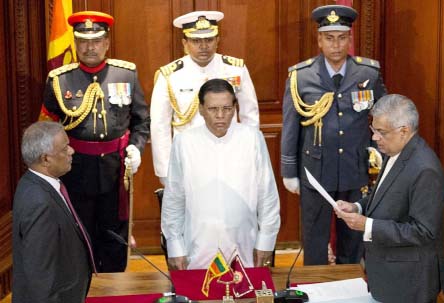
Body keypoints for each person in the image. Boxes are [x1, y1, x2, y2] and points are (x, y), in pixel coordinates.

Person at [39, 11, 150, 272]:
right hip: (74, 170)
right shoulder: (59, 79)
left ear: (107, 43)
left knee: (114, 235)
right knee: (79, 234)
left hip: (116, 171)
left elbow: (141, 120)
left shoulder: (126, 74)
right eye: (83, 41)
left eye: (97, 41)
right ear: (75, 43)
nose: (90, 47)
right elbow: (47, 128)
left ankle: (114, 288)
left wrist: (137, 147)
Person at [280, 4, 387, 265]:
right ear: (319, 40)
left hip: (355, 170)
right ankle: (316, 289)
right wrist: (289, 171)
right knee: (314, 240)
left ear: (350, 39)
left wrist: (383, 158)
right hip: (315, 172)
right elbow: (291, 125)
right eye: (329, 38)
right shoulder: (301, 77)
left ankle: (349, 287)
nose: (336, 45)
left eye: (341, 38)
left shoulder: (368, 74)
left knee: (352, 240)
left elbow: (384, 116)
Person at [335, 94, 444, 303]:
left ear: (404, 131)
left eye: (381, 132)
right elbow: (382, 196)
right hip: (387, 277)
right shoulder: (394, 151)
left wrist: (367, 226)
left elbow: (423, 232)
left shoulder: (425, 169)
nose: (375, 137)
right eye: (374, 130)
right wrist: (357, 207)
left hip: (409, 284)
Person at [161, 79, 280, 270]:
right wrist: (175, 246)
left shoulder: (252, 139)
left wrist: (266, 241)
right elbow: (174, 199)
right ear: (200, 109)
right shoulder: (184, 143)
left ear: (235, 108)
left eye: (226, 108)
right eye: (212, 109)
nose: (220, 116)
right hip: (197, 249)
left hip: (245, 247)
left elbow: (267, 195)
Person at [150, 10, 259, 184]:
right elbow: (159, 126)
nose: (203, 46)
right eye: (196, 41)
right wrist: (165, 170)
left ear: (217, 40)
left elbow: (250, 116)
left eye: (209, 39)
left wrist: (250, 154)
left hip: (231, 155)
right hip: (188, 159)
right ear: (184, 43)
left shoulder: (235, 69)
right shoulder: (169, 75)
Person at [12, 121, 94, 303]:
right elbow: (41, 275)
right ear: (46, 159)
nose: (71, 151)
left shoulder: (36, 184)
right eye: (65, 148)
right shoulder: (39, 202)